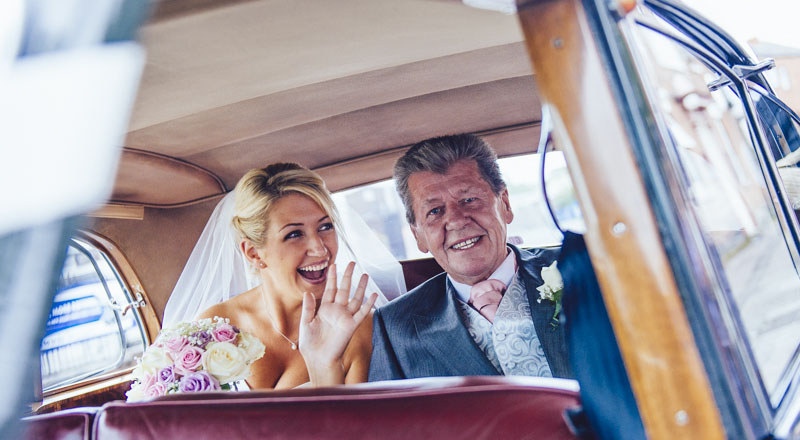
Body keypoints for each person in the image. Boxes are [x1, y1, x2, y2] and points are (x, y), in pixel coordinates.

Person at [369, 134, 572, 381]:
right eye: (434, 211)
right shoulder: (394, 327)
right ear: (418, 236)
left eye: (469, 200)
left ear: (505, 205)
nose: (455, 220)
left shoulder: (578, 270)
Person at [185, 163, 385, 388]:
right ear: (253, 253)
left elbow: (354, 422)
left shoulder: (356, 326)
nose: (320, 249)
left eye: (325, 227)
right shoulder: (215, 325)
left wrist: (325, 365)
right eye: (294, 234)